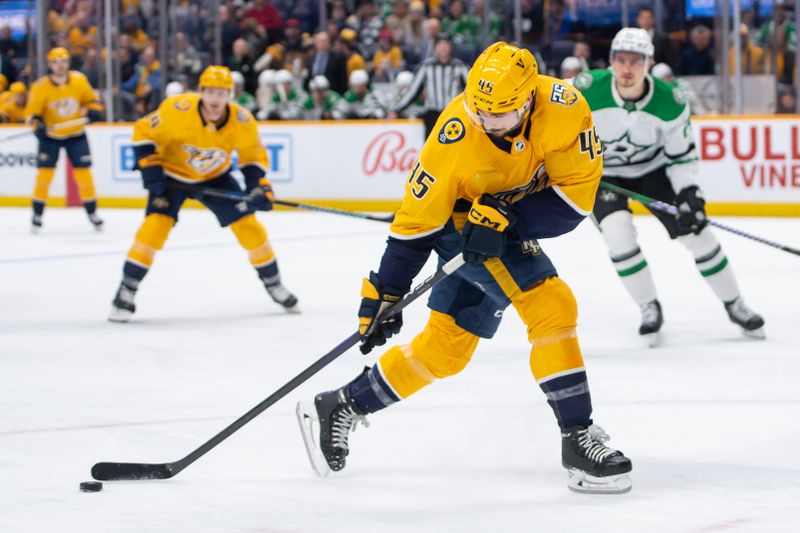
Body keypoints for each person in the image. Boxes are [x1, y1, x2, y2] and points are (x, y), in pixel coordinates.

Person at [297, 42, 633, 494]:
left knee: (445, 350)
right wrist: (388, 292)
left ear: (530, 99)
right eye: (481, 112)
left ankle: (342, 404)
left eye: (501, 115)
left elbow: (575, 200)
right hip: (461, 227)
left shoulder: (566, 108)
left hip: (506, 221)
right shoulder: (453, 135)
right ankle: (578, 439)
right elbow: (416, 222)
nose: (487, 123)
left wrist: (511, 218)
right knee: (552, 306)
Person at [573, 28, 765, 346]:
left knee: (699, 235)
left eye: (635, 61)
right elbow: (550, 118)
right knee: (618, 235)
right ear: (610, 62)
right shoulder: (587, 89)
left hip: (653, 173)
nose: (626, 69)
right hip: (603, 176)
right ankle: (649, 307)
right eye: (620, 60)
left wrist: (690, 194)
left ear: (648, 63)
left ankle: (735, 304)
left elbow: (681, 156)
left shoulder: (670, 101)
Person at [109, 66, 298, 322]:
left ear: (229, 94)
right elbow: (143, 131)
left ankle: (274, 283)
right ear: (201, 92)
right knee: (154, 228)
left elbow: (252, 158)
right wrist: (150, 164)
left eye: (222, 93)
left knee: (249, 227)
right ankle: (126, 290)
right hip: (172, 178)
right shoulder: (177, 109)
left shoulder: (241, 120)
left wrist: (258, 187)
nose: (216, 99)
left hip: (216, 178)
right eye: (211, 92)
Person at [25, 47, 104, 232]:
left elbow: (92, 100)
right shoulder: (40, 86)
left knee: (83, 175)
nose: (60, 65)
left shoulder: (79, 80)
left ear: (68, 63)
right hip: (51, 137)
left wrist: (94, 110)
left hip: (76, 134)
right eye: (56, 62)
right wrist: (39, 126)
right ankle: (37, 213)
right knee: (44, 175)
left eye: (64, 61)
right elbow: (32, 115)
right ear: (50, 64)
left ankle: (92, 213)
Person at [388, 34, 468, 136]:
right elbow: (413, 91)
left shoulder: (460, 67)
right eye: (440, 44)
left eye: (446, 44)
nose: (443, 47)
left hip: (452, 113)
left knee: (452, 148)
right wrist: (396, 109)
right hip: (432, 114)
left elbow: (470, 90)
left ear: (450, 47)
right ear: (436, 47)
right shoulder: (426, 67)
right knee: (431, 148)